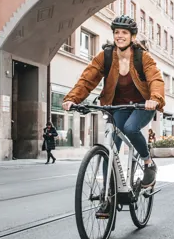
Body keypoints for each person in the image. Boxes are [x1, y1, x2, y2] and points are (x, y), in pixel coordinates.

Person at [62, 15, 165, 190]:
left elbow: (155, 79)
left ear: (132, 36)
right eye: (117, 32)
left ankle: (148, 162)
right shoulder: (106, 56)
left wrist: (154, 99)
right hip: (117, 106)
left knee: (130, 128)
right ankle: (108, 191)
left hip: (142, 105)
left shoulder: (143, 57)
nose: (120, 35)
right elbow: (88, 79)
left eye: (124, 32)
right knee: (110, 148)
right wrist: (72, 98)